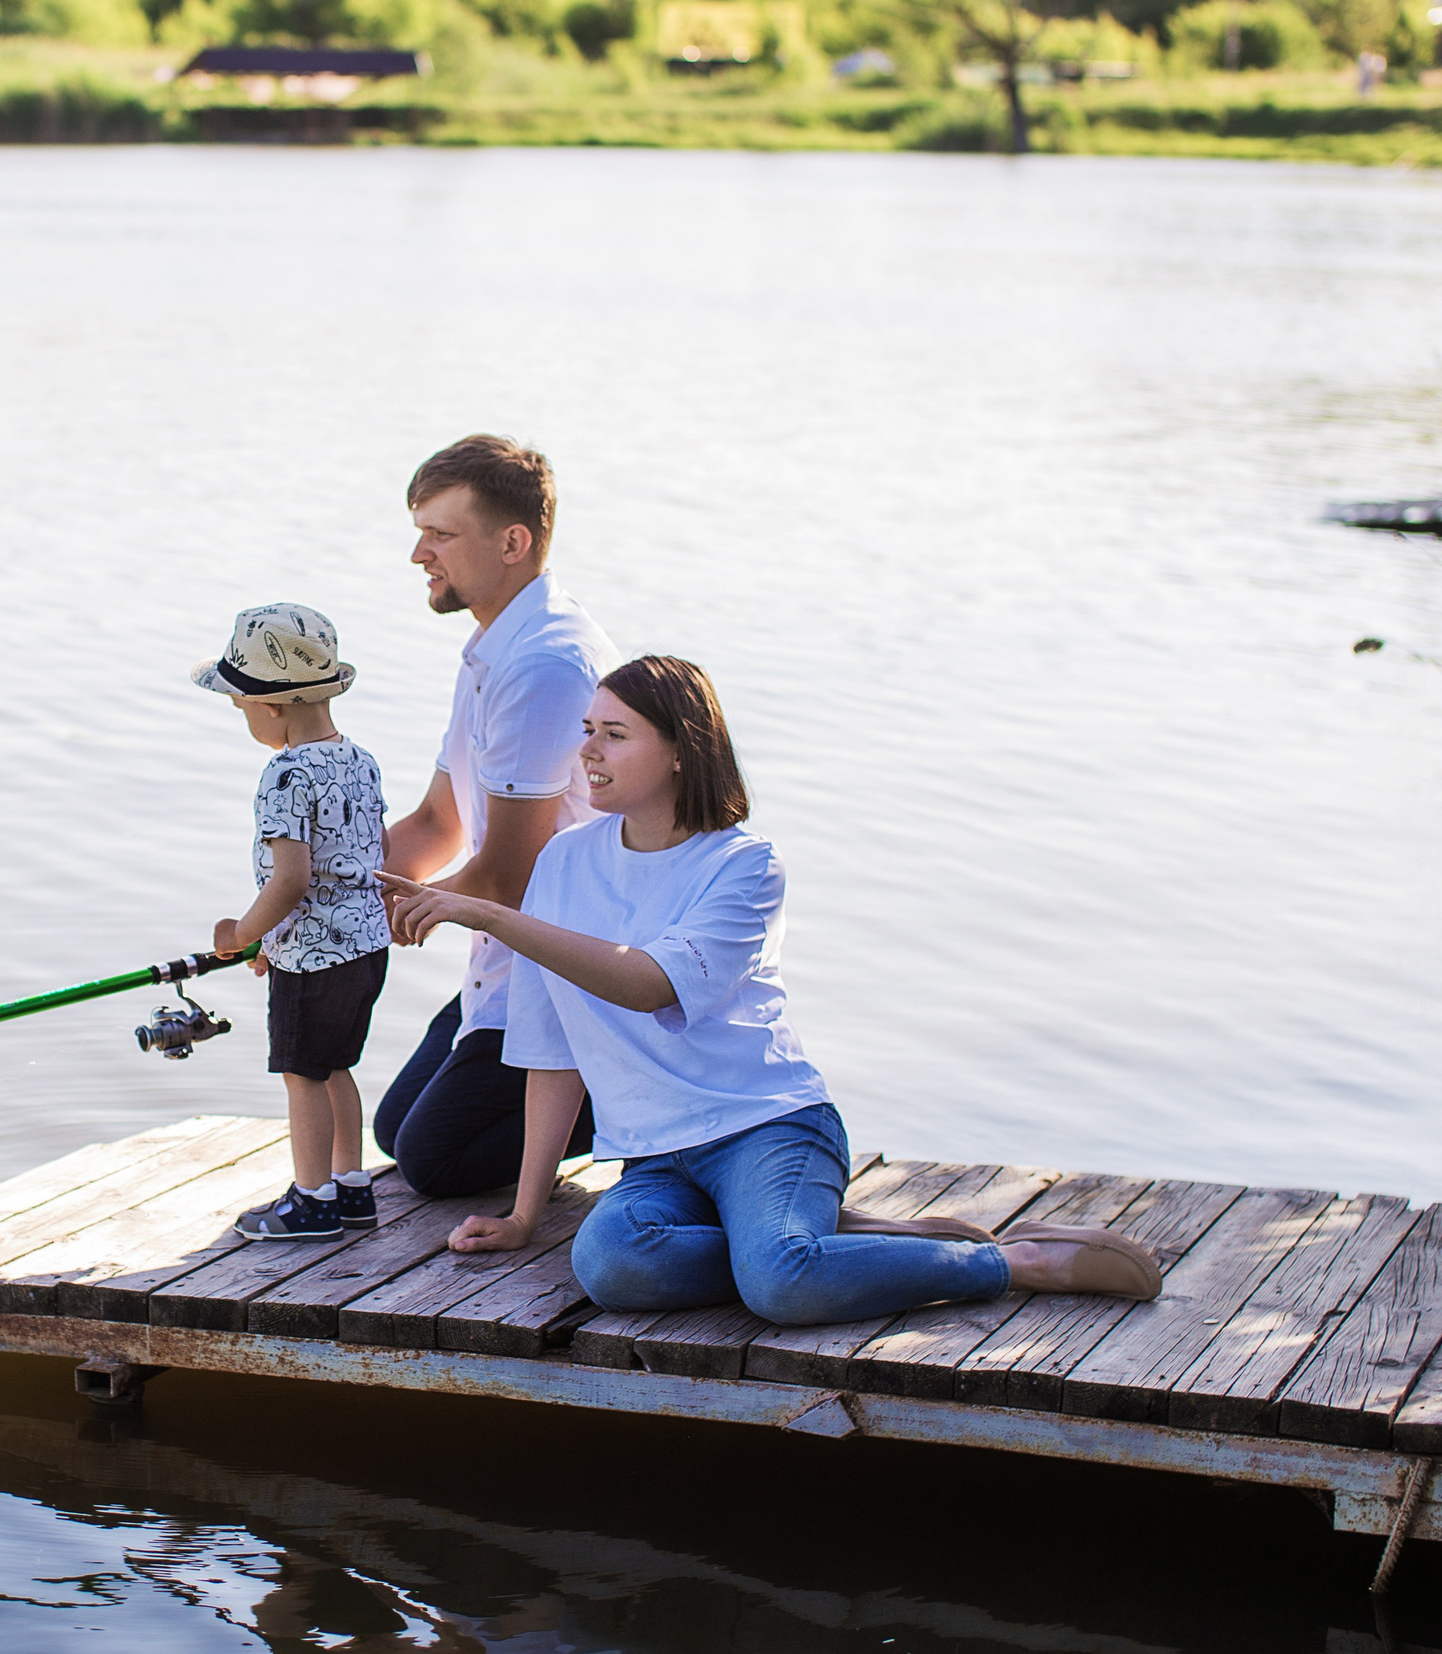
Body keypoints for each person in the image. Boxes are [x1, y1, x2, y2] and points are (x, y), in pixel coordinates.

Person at [380, 655, 1162, 1325]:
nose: (589, 751)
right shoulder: (564, 861)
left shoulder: (744, 866)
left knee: (780, 1285)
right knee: (612, 1266)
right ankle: (815, 1238)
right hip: (653, 1156)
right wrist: (523, 1213)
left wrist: (488, 912)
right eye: (587, 730)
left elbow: (648, 982)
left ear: (682, 750)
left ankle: (1014, 1263)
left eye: (615, 734)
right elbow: (552, 1051)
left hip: (767, 1127)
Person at [373, 436, 624, 1198]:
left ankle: (630, 1096)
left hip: (560, 974)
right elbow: (435, 825)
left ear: (512, 541)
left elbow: (506, 877)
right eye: (420, 531)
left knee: (433, 1160)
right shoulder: (493, 645)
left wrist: (342, 928)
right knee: (394, 1130)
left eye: (441, 533)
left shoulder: (545, 663)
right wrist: (298, 901)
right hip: (501, 961)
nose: (420, 553)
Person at [198, 604, 392, 1242]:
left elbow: (291, 878)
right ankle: (351, 1187)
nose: (240, 713)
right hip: (366, 947)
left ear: (273, 705)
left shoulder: (285, 774)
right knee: (336, 1066)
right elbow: (359, 859)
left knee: (302, 1074)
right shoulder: (360, 761)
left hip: (315, 958)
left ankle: (311, 1201)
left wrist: (244, 935)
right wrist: (274, 938)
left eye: (241, 704)